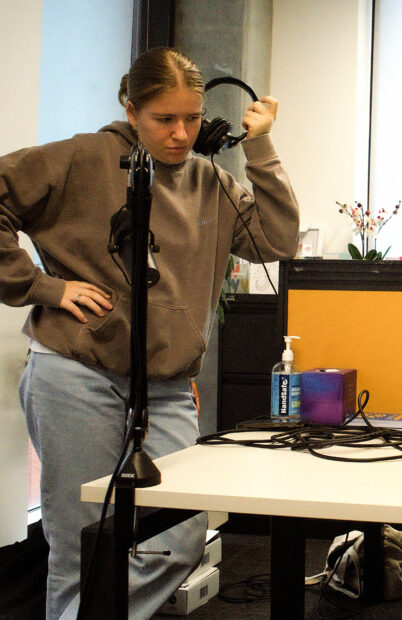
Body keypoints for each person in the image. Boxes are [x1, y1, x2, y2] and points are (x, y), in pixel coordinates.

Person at [1, 47, 300, 619]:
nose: (181, 134)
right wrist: (43, 287)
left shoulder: (211, 180)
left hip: (164, 388)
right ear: (131, 108)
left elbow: (275, 242)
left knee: (180, 537)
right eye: (165, 119)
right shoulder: (80, 159)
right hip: (75, 374)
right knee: (80, 547)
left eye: (192, 118)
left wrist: (259, 145)